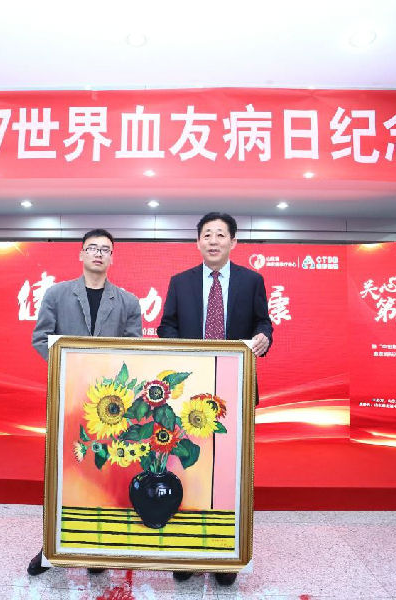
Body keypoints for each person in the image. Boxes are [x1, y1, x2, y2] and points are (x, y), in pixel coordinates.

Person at [158, 211, 273, 586]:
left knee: (229, 471)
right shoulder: (180, 282)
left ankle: (225, 553)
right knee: (188, 467)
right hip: (190, 390)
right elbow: (166, 326)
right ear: (198, 242)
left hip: (235, 386)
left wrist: (264, 337)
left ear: (233, 242)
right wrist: (183, 353)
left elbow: (263, 322)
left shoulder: (252, 281)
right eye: (206, 234)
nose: (213, 240)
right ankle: (187, 550)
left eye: (220, 234)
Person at [28, 228, 143, 576]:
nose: (98, 254)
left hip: (111, 406)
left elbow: (134, 349)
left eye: (105, 249)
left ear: (112, 257)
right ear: (81, 254)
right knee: (62, 470)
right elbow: (41, 338)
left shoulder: (128, 301)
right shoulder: (57, 294)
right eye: (92, 248)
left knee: (103, 471)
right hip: (67, 396)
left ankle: (97, 544)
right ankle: (52, 545)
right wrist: (72, 370)